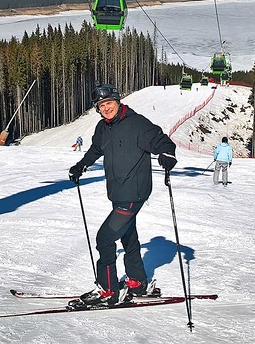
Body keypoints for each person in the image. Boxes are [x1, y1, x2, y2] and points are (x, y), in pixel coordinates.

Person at [68, 84, 177, 307]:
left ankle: (108, 290)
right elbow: (96, 150)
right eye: (101, 105)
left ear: (117, 102)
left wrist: (166, 153)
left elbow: (161, 140)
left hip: (134, 193)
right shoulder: (103, 128)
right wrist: (81, 166)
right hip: (117, 193)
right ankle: (137, 282)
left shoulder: (137, 123)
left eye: (109, 103)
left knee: (105, 238)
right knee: (129, 238)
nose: (106, 108)